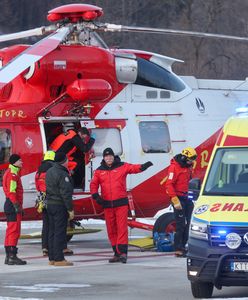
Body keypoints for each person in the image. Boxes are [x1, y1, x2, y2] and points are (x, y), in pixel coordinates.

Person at [90, 147, 153, 263]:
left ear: (114, 157)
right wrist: (95, 195)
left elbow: (133, 168)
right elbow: (93, 184)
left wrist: (143, 166)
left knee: (121, 228)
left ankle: (123, 253)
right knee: (111, 230)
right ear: (103, 158)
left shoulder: (122, 166)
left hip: (121, 204)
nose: (108, 158)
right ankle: (116, 253)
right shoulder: (99, 171)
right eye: (106, 156)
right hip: (107, 204)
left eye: (110, 156)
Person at [35, 150, 73, 257]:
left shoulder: (38, 171)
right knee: (59, 227)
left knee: (47, 225)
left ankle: (45, 248)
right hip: (54, 200)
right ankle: (63, 248)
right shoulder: (55, 170)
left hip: (42, 200)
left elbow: (38, 187)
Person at [165, 147, 197, 257]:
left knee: (189, 222)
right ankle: (178, 248)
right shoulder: (174, 168)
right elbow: (169, 185)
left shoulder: (189, 166)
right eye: (190, 160)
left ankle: (184, 245)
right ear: (184, 158)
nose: (191, 162)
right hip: (178, 197)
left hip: (187, 197)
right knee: (180, 224)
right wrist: (175, 200)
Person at [46, 152, 75, 266]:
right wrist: (70, 209)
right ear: (64, 161)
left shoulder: (49, 171)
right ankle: (59, 259)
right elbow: (66, 193)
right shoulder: (63, 174)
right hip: (59, 205)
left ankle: (52, 258)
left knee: (52, 231)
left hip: (50, 204)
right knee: (59, 232)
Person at [3, 154, 26, 265]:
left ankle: (9, 256)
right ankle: (12, 256)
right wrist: (17, 206)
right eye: (20, 161)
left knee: (10, 231)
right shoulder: (13, 175)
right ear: (15, 162)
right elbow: (12, 192)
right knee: (14, 231)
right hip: (13, 205)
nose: (22, 163)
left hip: (9, 205)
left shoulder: (10, 172)